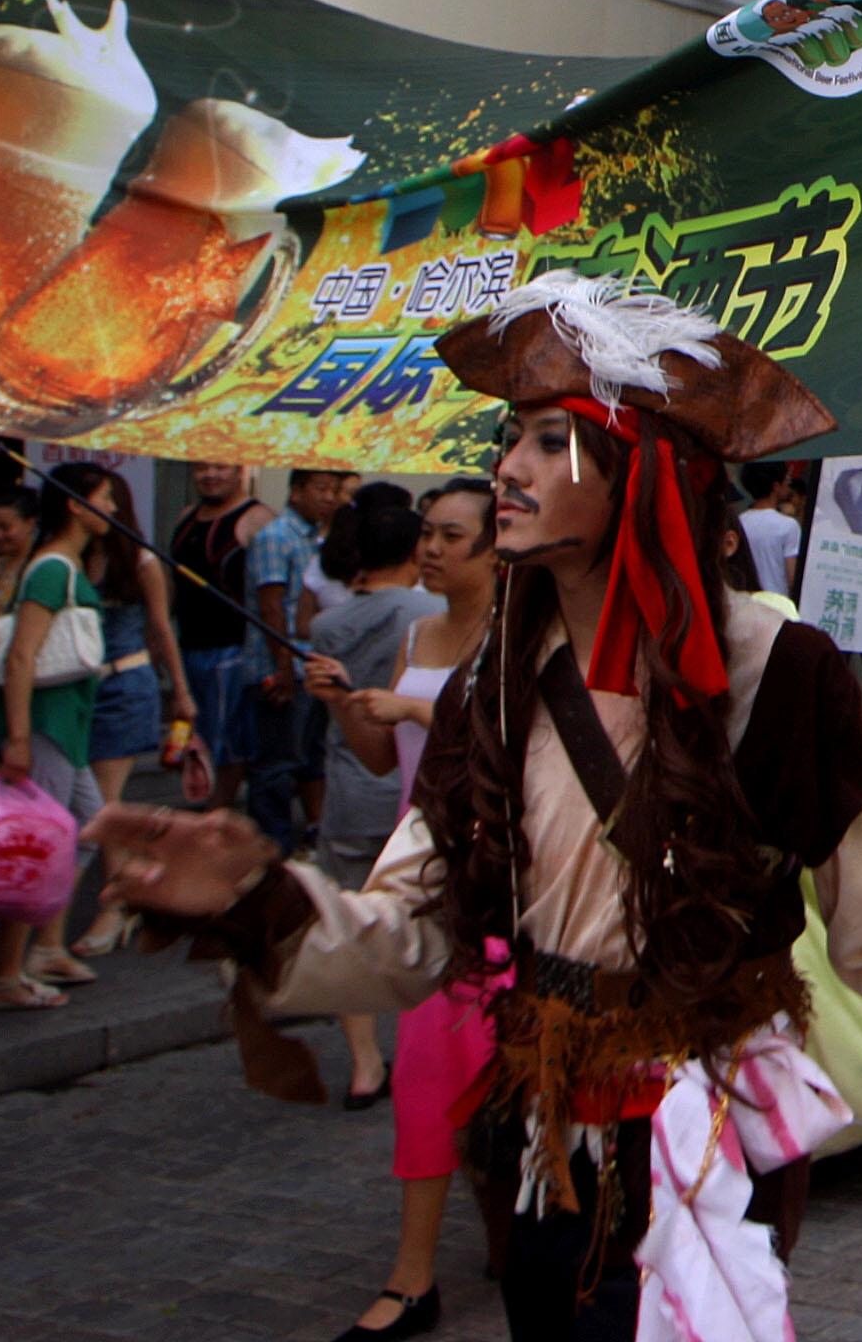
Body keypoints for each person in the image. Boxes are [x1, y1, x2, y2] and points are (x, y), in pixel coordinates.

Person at [92, 276, 862, 1341]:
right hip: (537, 1140)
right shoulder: (492, 685)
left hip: (703, 1136)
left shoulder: (774, 671)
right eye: (512, 437)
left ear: (642, 474)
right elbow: (414, 931)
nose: (509, 469)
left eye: (552, 441)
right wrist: (253, 896)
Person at [329, 476, 502, 1342]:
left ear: (495, 547)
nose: (429, 549)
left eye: (450, 536)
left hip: (505, 871)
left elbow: (508, 742)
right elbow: (376, 759)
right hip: (422, 869)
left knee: (508, 1065)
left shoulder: (520, 637)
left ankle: (519, 1222)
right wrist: (352, 707)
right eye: (426, 534)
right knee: (431, 1069)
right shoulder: (414, 632)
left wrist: (410, 707)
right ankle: (412, 1276)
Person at [301, 482, 437, 1108]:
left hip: (351, 784)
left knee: (354, 922)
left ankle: (363, 1065)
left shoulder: (327, 623)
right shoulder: (426, 618)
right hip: (406, 789)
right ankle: (423, 1051)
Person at [0, 464, 117, 1009]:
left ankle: (43, 944)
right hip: (46, 726)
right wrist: (17, 737)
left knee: (87, 824)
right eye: (104, 497)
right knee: (39, 844)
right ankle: (4, 975)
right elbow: (21, 656)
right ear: (76, 506)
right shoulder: (52, 569)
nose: (112, 508)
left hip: (67, 723)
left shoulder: (62, 565)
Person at [69, 463, 197, 964]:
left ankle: (118, 905)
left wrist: (181, 693)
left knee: (103, 804)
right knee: (95, 805)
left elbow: (162, 629)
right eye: (104, 499)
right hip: (78, 690)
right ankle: (135, 888)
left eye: (113, 499)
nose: (112, 509)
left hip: (126, 683)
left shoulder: (139, 561)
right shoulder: (68, 559)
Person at [245, 467, 351, 851]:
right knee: (275, 763)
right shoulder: (277, 536)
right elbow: (271, 606)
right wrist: (283, 667)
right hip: (279, 665)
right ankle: (271, 847)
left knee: (308, 756)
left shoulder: (317, 538)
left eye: (334, 490)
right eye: (320, 489)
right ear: (295, 492)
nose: (328, 498)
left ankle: (307, 837)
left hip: (308, 664)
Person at [171, 460, 273, 806]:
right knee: (190, 737)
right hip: (188, 646)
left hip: (232, 650)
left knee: (229, 743)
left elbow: (272, 595)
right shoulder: (186, 516)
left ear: (240, 470)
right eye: (201, 468)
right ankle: (202, 804)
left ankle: (219, 811)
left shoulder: (258, 519)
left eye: (220, 467)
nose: (209, 475)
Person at [736, 466, 806, 601]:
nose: (788, 486)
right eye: (786, 481)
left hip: (747, 602)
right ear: (776, 486)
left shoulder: (739, 522)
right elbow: (793, 577)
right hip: (778, 604)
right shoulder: (788, 526)